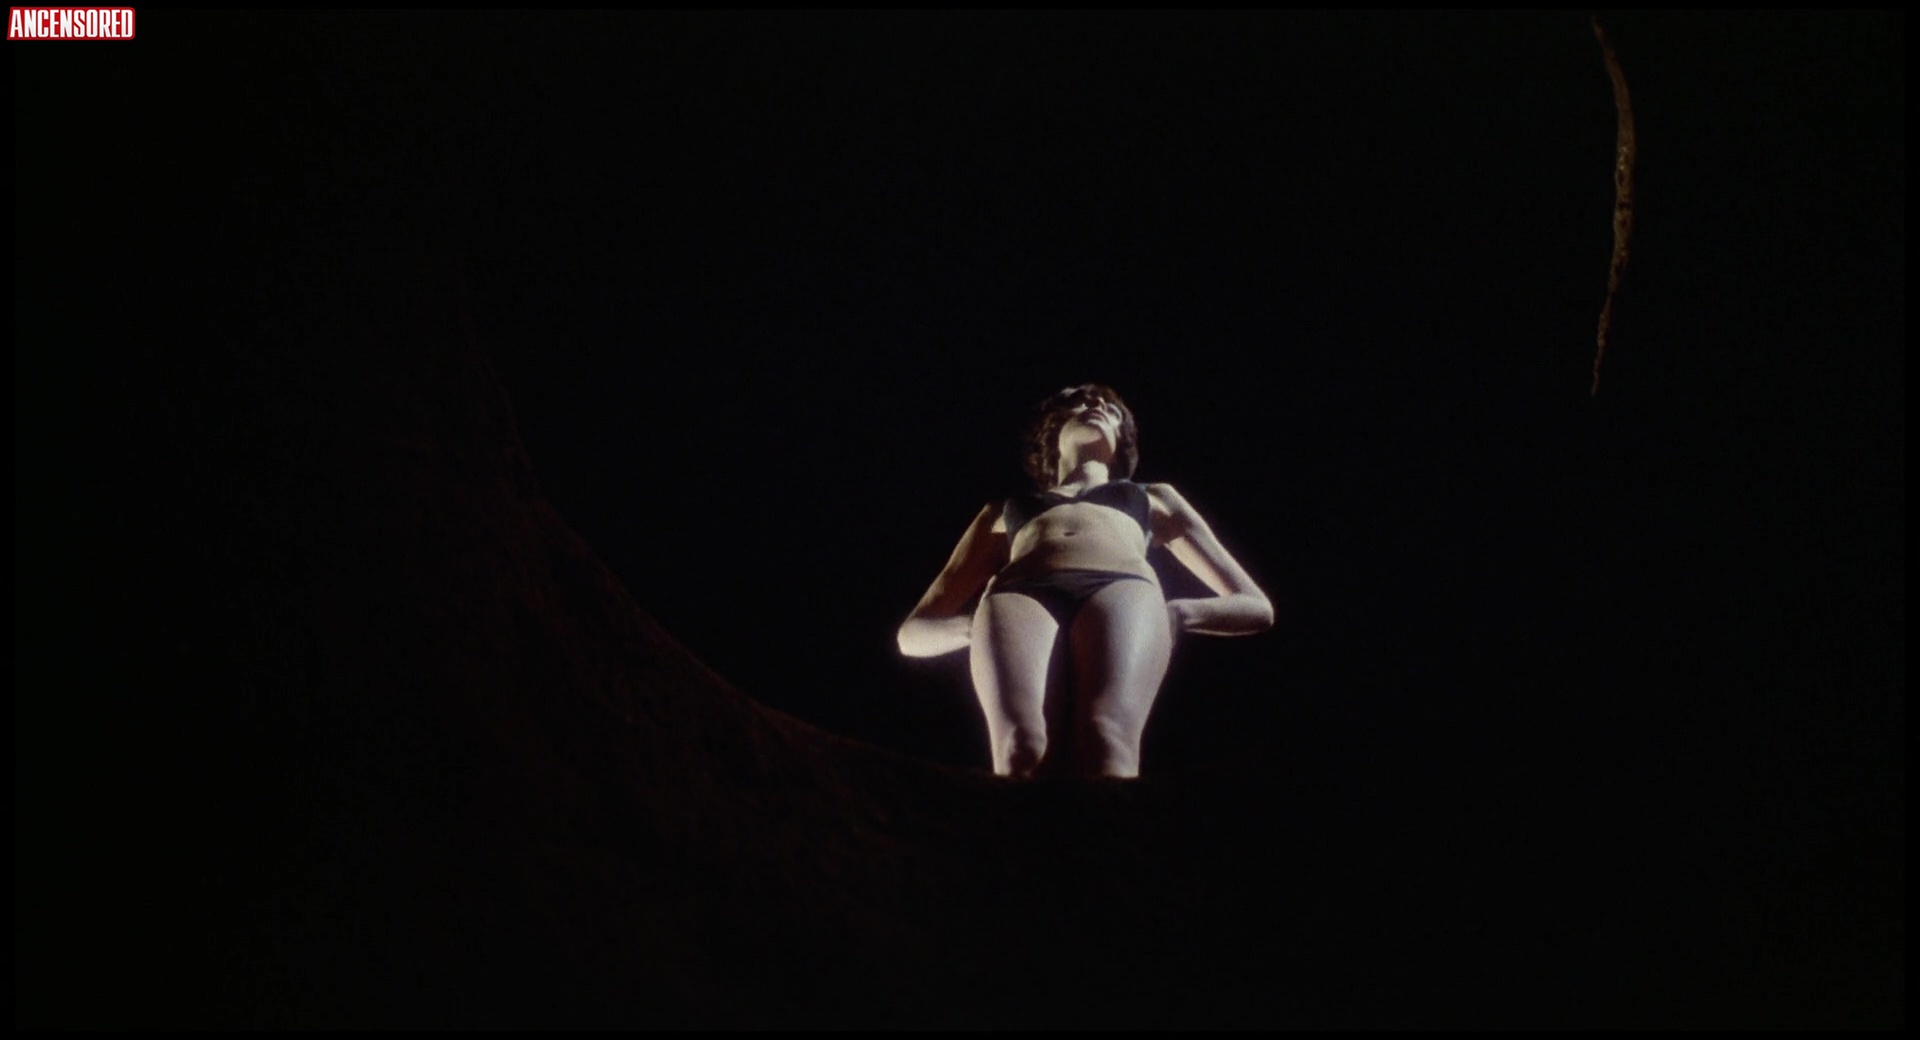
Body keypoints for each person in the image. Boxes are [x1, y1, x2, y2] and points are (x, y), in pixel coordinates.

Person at [897, 384, 1274, 778]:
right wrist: (973, 628)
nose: (1096, 404)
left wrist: (1179, 613)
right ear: (1052, 430)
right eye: (1079, 400)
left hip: (1122, 589)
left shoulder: (1153, 497)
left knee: (1107, 741)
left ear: (1122, 439)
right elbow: (912, 634)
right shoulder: (1004, 510)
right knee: (1020, 749)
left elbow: (1256, 605)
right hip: (1018, 595)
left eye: (1111, 408)